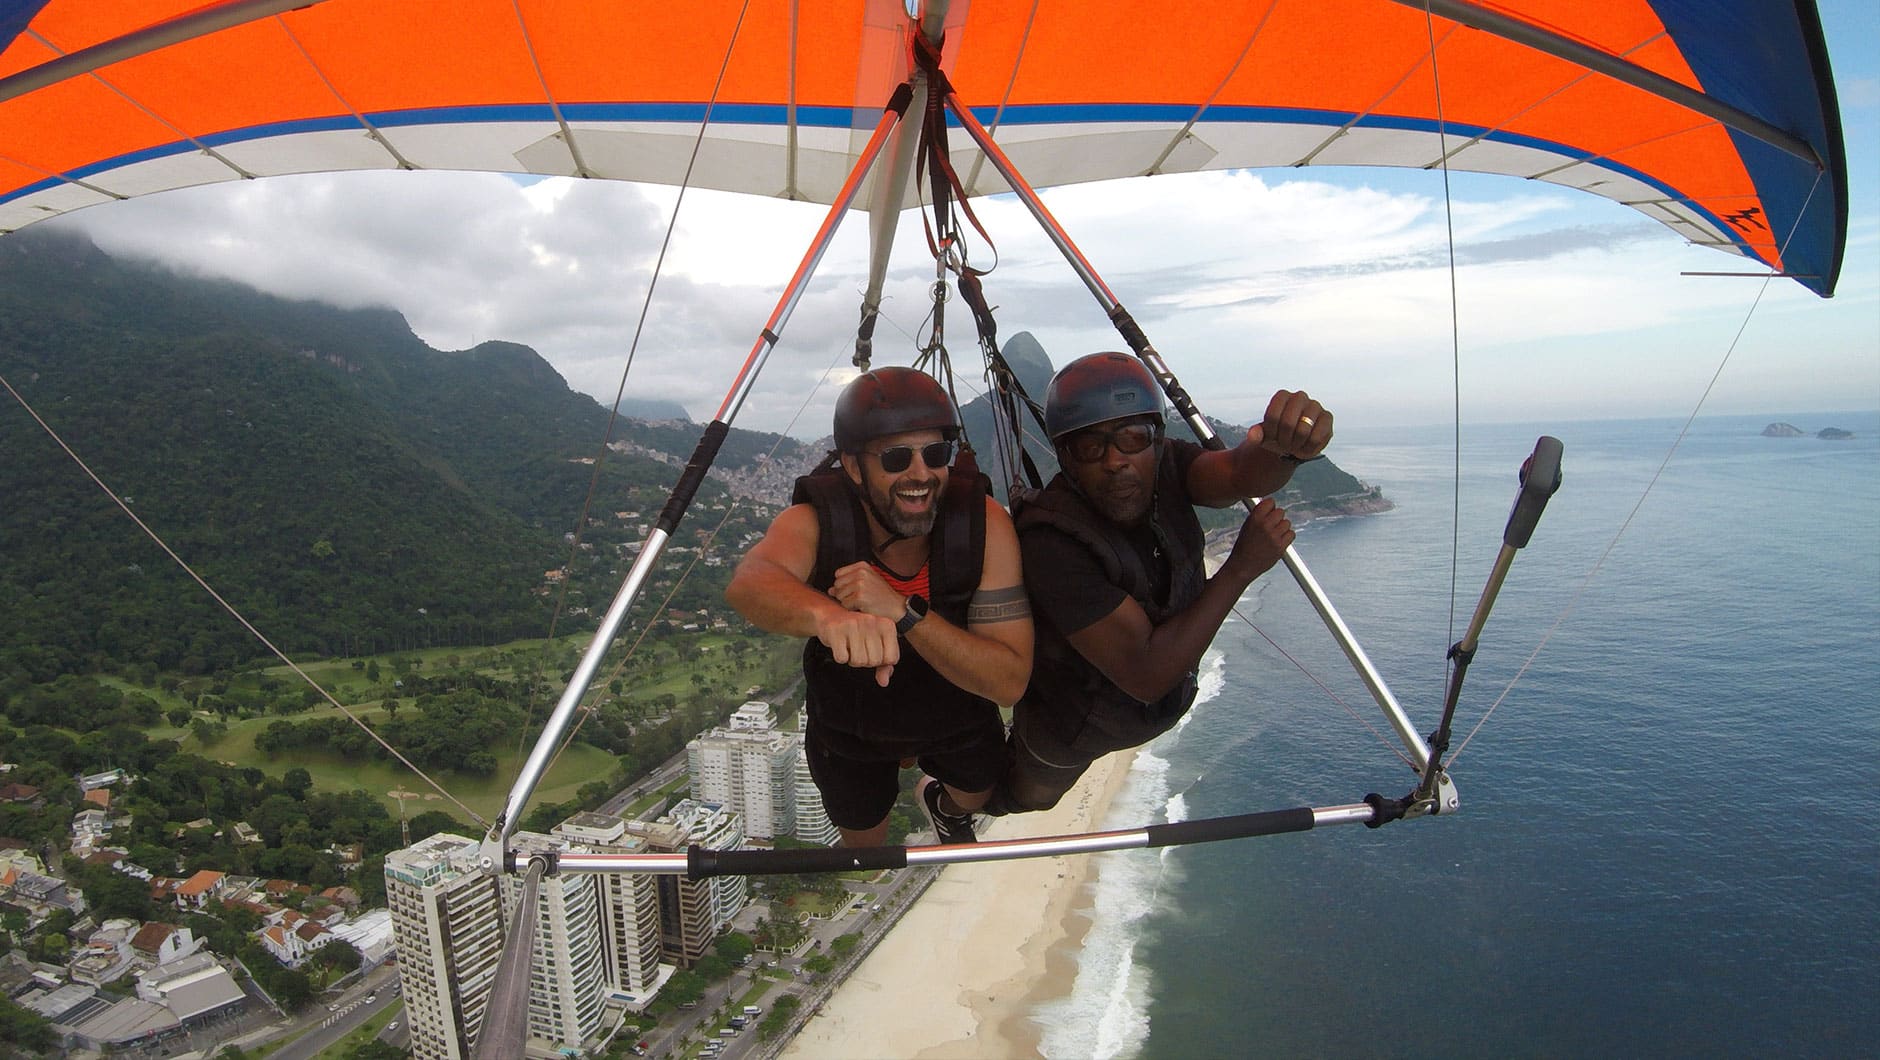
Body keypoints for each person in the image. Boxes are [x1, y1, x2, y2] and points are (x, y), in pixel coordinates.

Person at [985, 351, 1330, 816]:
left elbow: (1237, 473)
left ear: (1156, 441)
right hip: (1072, 724)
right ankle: (951, 801)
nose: (1116, 461)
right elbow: (1146, 674)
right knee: (1030, 799)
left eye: (1133, 438)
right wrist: (1240, 568)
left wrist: (1284, 448)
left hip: (1153, 712)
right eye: (1091, 447)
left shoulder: (1165, 467)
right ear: (1066, 459)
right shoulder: (1052, 543)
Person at [725, 367, 1032, 846]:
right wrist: (830, 616)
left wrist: (902, 612)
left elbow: (1009, 682)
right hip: (852, 719)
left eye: (935, 454)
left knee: (976, 792)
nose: (920, 473)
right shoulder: (817, 521)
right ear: (853, 467)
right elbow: (750, 584)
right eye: (895, 458)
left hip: (952, 703)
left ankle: (942, 805)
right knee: (864, 844)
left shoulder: (981, 524)